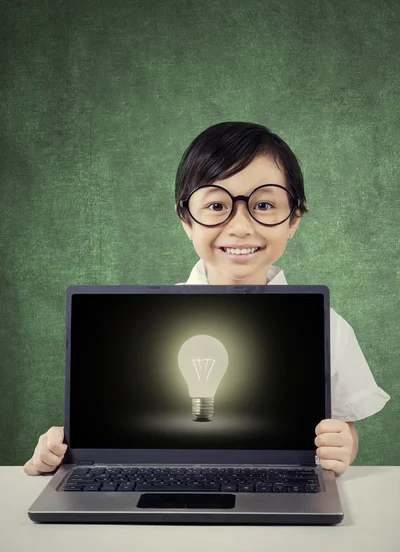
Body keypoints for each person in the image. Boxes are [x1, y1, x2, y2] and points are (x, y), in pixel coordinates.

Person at [23, 121, 390, 478]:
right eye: (217, 206)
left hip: (278, 499)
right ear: (186, 219)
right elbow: (100, 441)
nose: (241, 226)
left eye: (263, 205)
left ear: (294, 218)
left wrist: (344, 446)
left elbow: (343, 427)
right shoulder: (142, 321)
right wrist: (56, 451)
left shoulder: (328, 327)